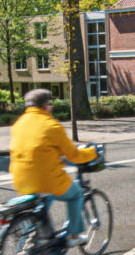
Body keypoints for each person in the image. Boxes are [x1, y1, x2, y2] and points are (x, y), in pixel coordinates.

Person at [9, 89, 98, 246]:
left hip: (20, 181)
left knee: (41, 199)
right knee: (76, 194)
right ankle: (73, 237)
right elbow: (74, 156)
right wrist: (93, 152)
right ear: (46, 106)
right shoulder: (52, 126)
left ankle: (33, 234)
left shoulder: (17, 125)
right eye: (50, 104)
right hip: (46, 180)